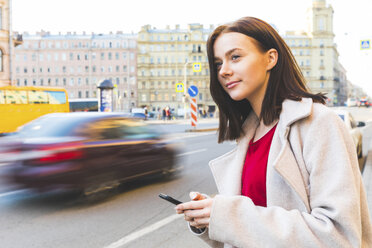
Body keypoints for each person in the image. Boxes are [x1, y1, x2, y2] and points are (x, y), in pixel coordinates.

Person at [175, 17, 372, 247]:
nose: (224, 71)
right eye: (218, 63)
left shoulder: (319, 123)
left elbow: (337, 236)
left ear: (270, 58)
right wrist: (210, 217)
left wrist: (228, 215)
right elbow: (252, 230)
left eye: (235, 57)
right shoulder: (248, 134)